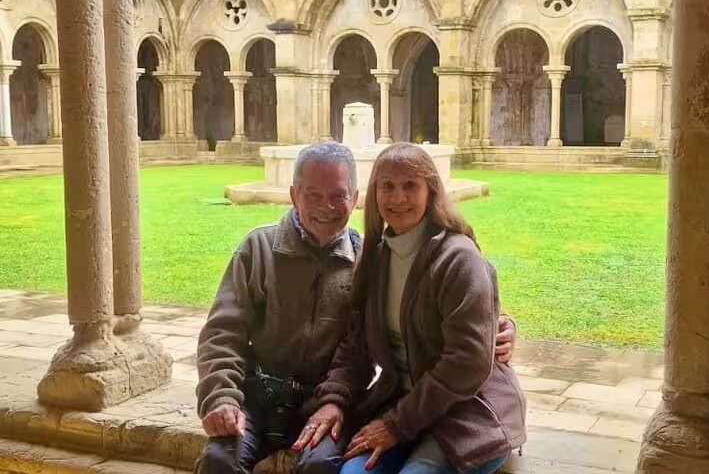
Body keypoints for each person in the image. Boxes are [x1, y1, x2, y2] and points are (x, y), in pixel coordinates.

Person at [194, 141, 519, 474]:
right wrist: (221, 396)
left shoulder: (370, 259)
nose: (327, 207)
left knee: (323, 466)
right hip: (259, 397)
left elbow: (464, 331)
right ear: (294, 195)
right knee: (219, 462)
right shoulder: (264, 249)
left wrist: (501, 322)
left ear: (354, 197)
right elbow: (223, 332)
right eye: (313, 195)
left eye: (337, 195)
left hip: (336, 403)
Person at [297, 143, 526, 474]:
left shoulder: (459, 259)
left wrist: (395, 425)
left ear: (430, 191)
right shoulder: (375, 258)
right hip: (405, 403)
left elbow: (467, 362)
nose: (398, 197)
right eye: (387, 186)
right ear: (374, 193)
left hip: (468, 410)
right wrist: (334, 399)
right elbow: (356, 346)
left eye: (410, 186)